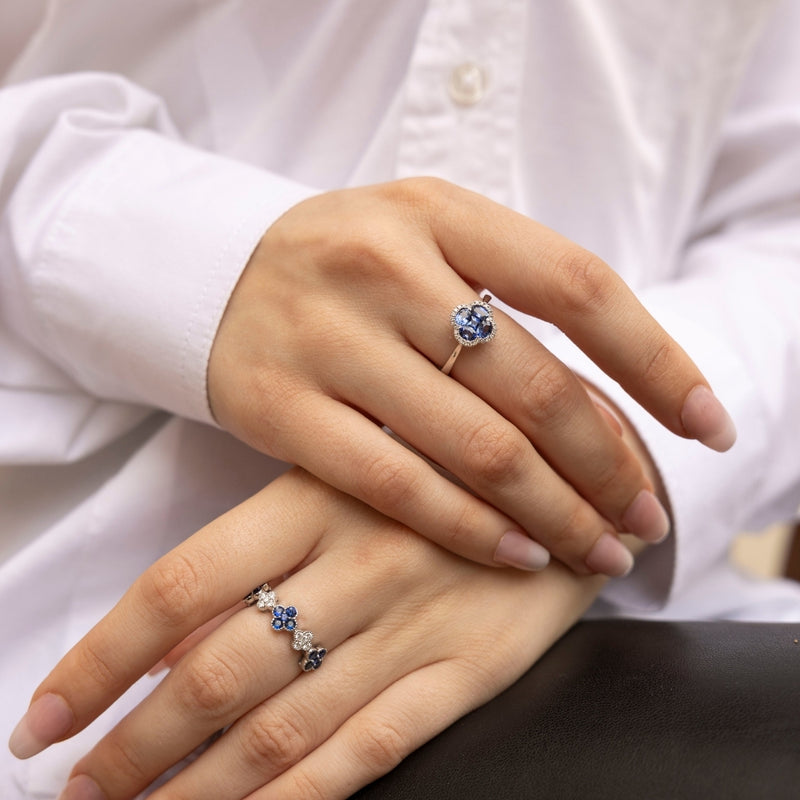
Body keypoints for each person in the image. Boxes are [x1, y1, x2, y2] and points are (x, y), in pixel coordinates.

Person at [2, 1, 800, 798]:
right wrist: (207, 256)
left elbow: (781, 212)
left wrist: (595, 443)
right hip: (65, 563)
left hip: (621, 613)